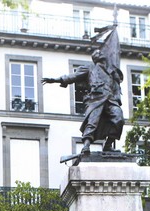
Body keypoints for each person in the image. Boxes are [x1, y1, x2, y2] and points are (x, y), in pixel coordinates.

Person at [42, 25, 124, 155]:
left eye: (100, 52)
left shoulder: (110, 72)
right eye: (96, 53)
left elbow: (116, 87)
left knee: (119, 118)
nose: (100, 53)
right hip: (95, 98)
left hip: (110, 99)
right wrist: (56, 80)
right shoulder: (89, 68)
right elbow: (72, 76)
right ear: (94, 58)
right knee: (92, 122)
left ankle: (108, 145)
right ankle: (86, 146)